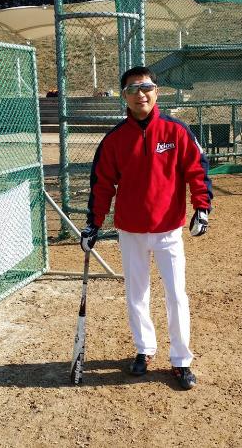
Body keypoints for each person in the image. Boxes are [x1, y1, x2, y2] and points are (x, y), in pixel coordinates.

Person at [80, 66, 213, 390]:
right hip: (131, 231)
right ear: (124, 96)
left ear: (157, 91)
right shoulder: (114, 140)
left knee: (176, 295)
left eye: (146, 87)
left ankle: (180, 360)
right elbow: (102, 185)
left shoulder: (176, 131)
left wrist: (202, 207)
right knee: (136, 294)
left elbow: (197, 170)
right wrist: (93, 224)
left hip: (168, 230)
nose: (140, 94)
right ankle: (144, 349)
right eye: (132, 89)